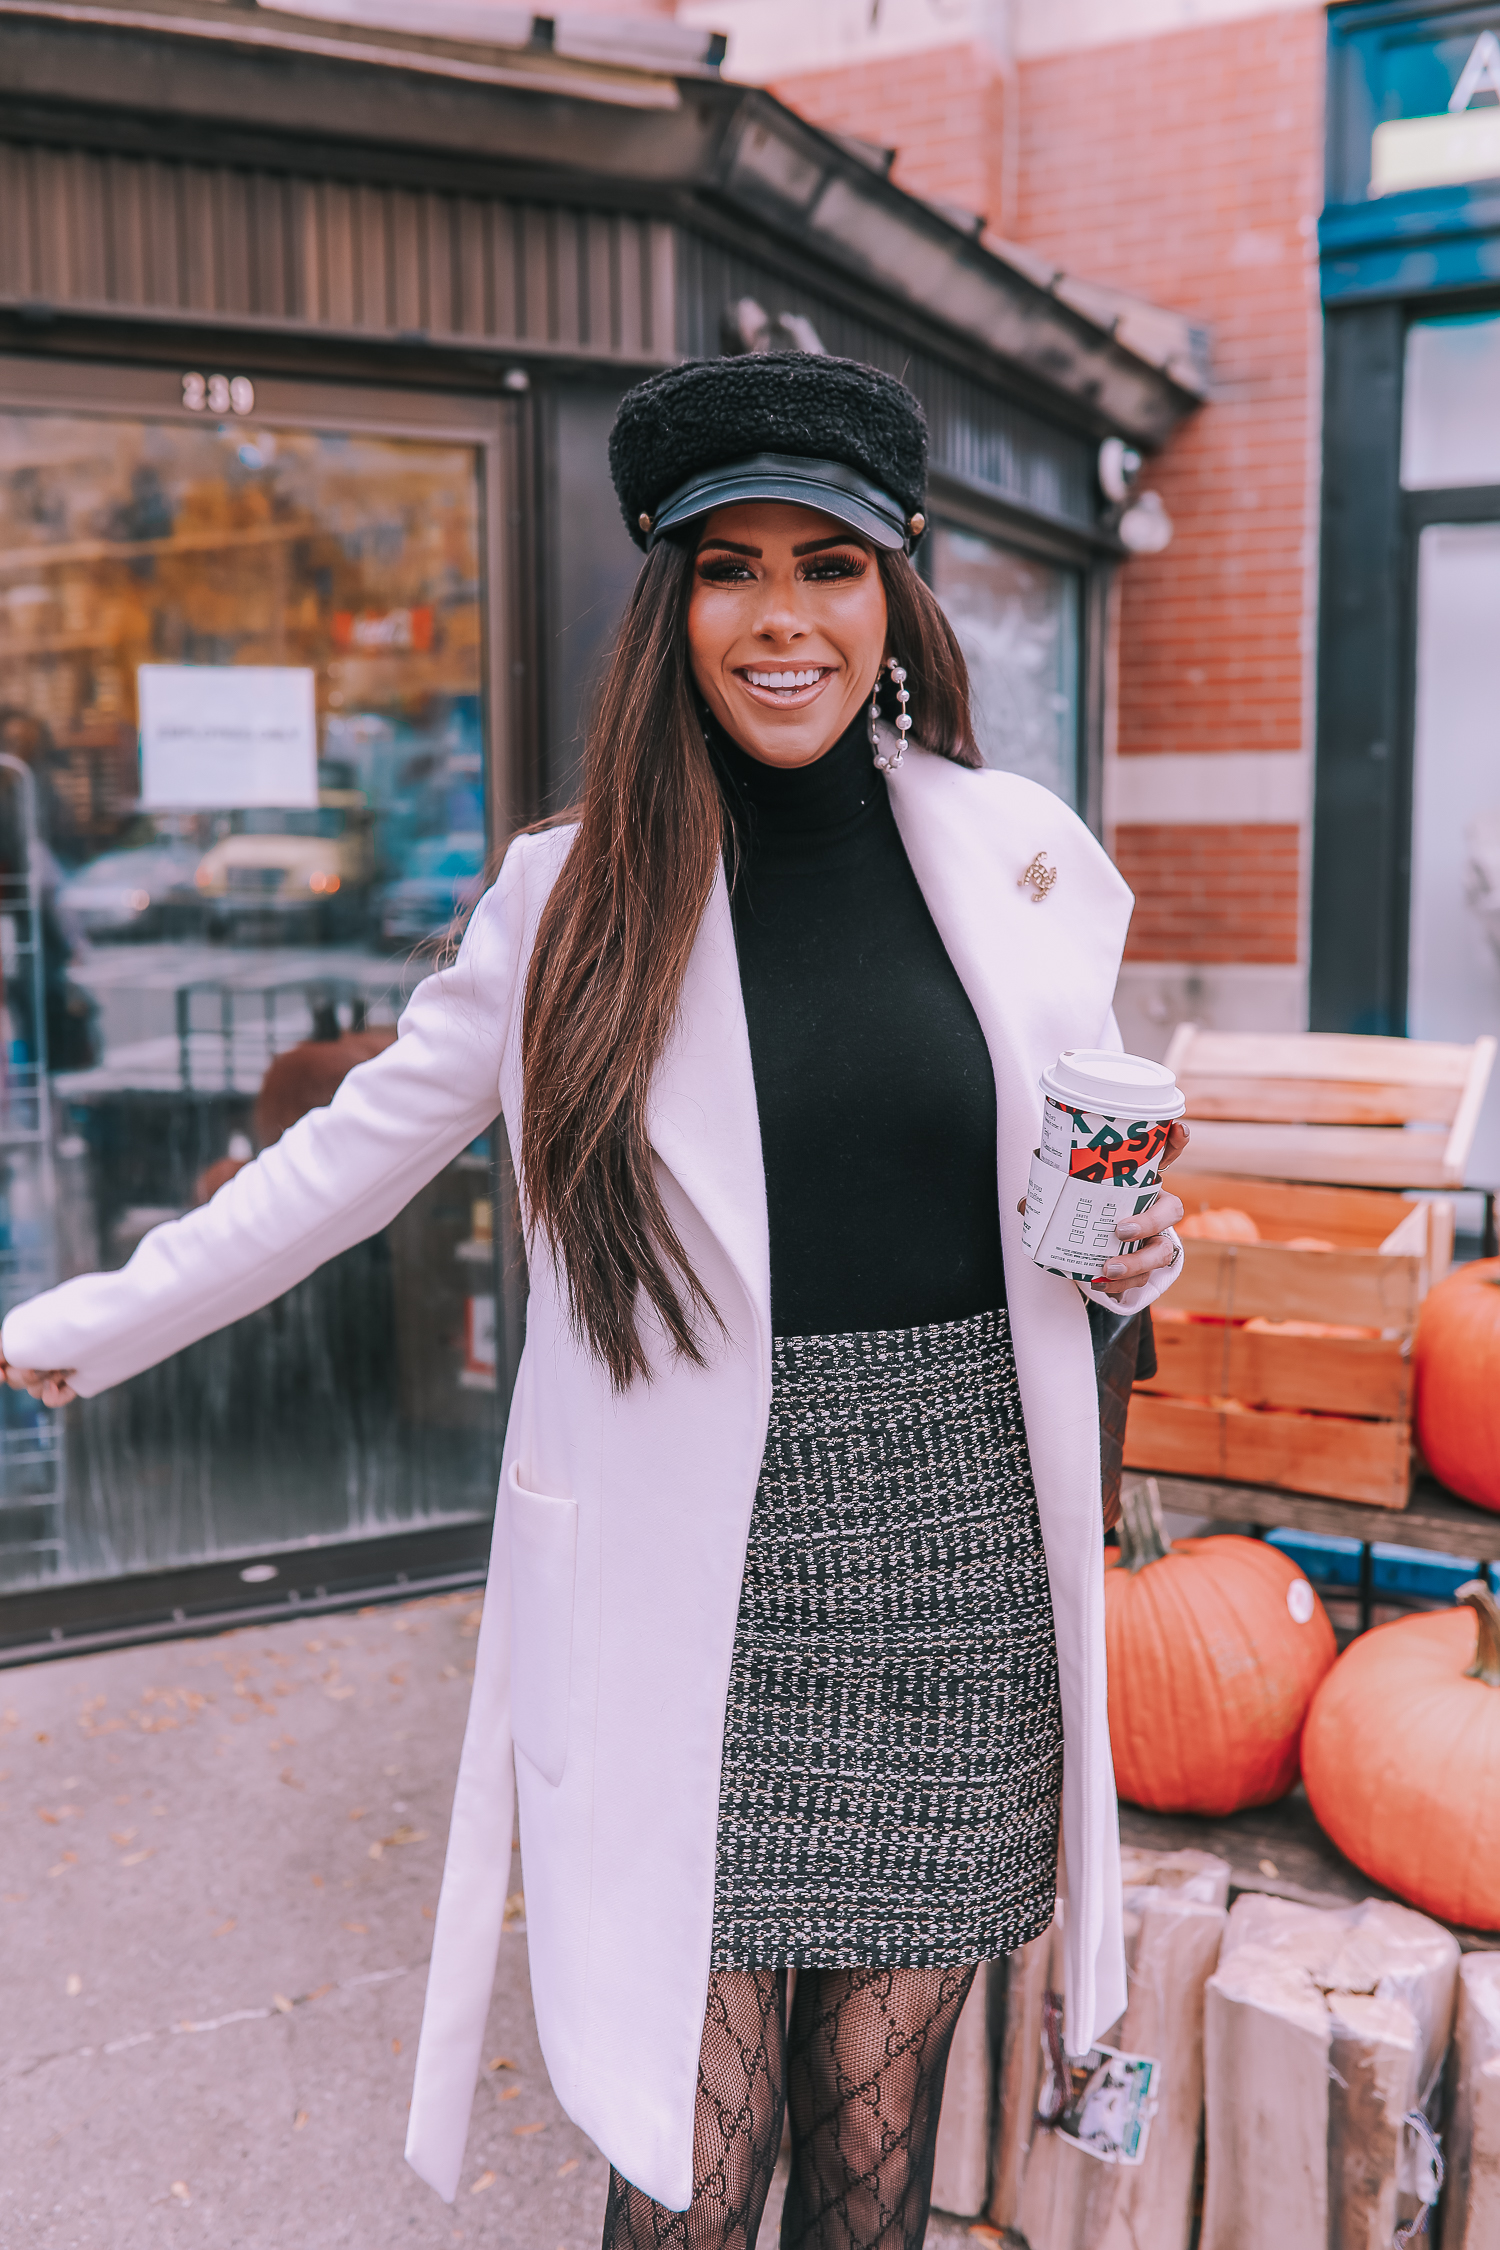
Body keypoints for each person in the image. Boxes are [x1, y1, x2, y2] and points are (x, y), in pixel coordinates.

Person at [0, 354, 1186, 2249]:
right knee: (687, 2181)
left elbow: (1087, 1174)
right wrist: (77, 1320)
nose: (783, 617)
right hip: (684, 1580)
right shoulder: (571, 899)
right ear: (671, 604)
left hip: (958, 1564)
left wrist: (1140, 1243)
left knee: (873, 2179)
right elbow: (345, 1158)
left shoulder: (1011, 854)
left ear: (896, 595)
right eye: (732, 568)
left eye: (832, 564)